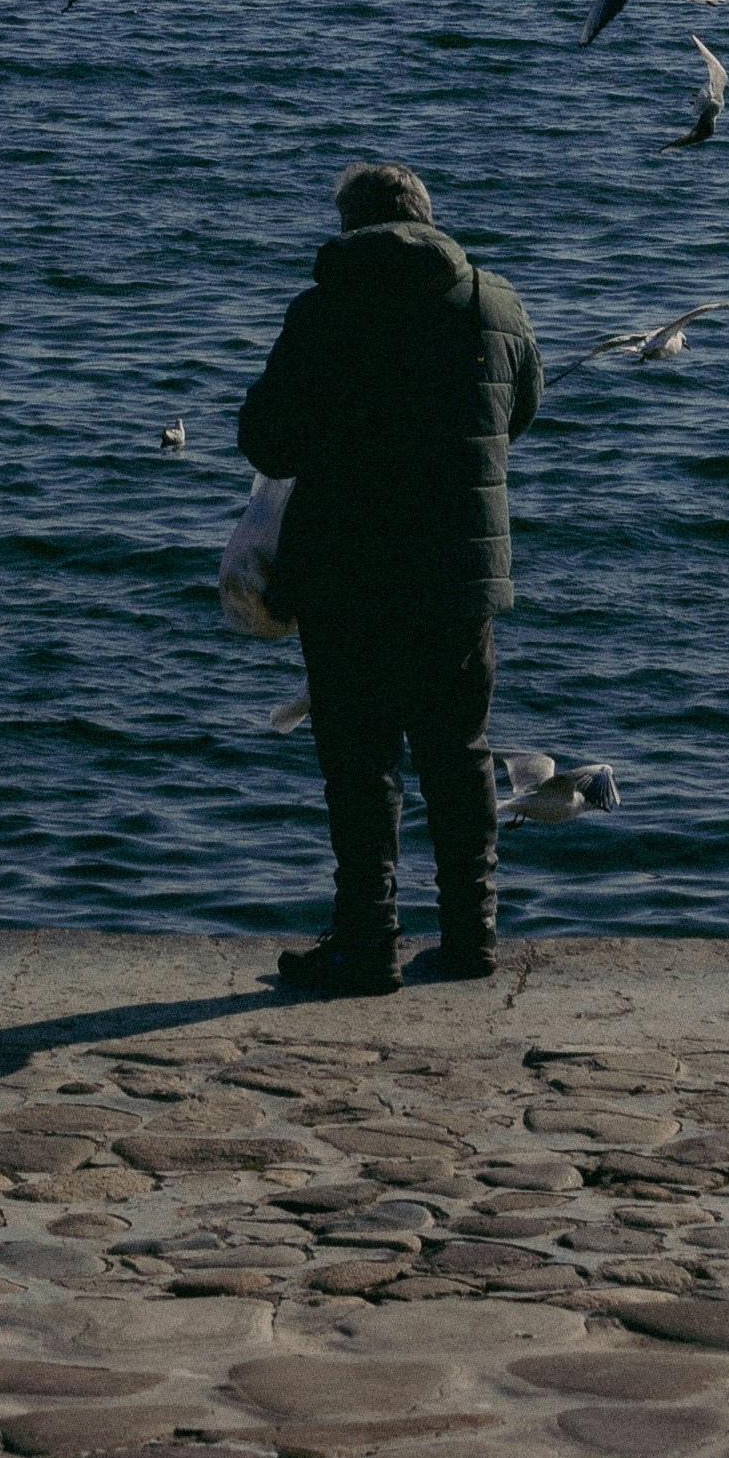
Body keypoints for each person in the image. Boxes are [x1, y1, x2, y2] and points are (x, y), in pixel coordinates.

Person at [235, 158, 543, 994]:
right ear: (428, 219)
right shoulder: (494, 303)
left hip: (349, 573)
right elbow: (517, 415)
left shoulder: (323, 310)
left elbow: (270, 441)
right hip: (459, 573)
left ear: (350, 227)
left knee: (360, 759)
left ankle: (366, 945)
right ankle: (472, 937)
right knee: (461, 751)